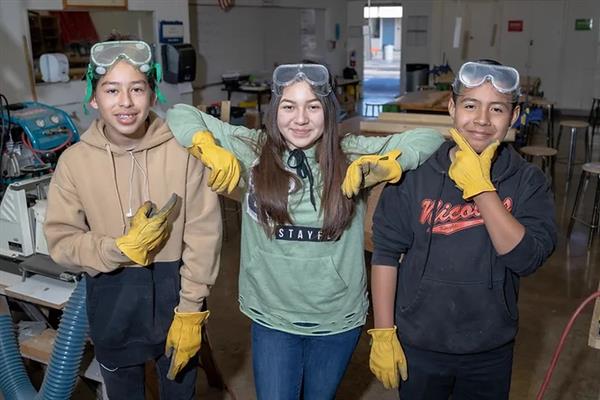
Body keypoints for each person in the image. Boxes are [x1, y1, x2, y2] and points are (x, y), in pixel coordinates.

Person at [166, 63, 444, 399]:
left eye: (313, 106)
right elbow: (180, 113)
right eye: (289, 106)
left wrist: (391, 163)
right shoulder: (252, 150)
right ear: (275, 111)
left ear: (327, 111)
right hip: (272, 317)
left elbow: (429, 138)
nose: (300, 119)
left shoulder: (350, 153)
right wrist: (204, 145)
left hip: (337, 319)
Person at [44, 38, 222, 399]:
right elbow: (61, 243)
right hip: (113, 303)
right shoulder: (75, 163)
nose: (125, 102)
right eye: (111, 90)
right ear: (93, 99)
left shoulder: (182, 153)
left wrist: (191, 308)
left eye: (137, 89)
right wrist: (116, 248)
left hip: (176, 303)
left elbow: (204, 235)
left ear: (152, 95)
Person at [369, 59, 557, 399]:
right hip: (420, 342)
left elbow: (527, 259)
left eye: (497, 109)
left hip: (489, 349)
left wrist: (482, 189)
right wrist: (383, 331)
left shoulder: (528, 181)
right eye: (471, 105)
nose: (482, 120)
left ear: (513, 116)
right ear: (453, 108)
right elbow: (385, 252)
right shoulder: (416, 173)